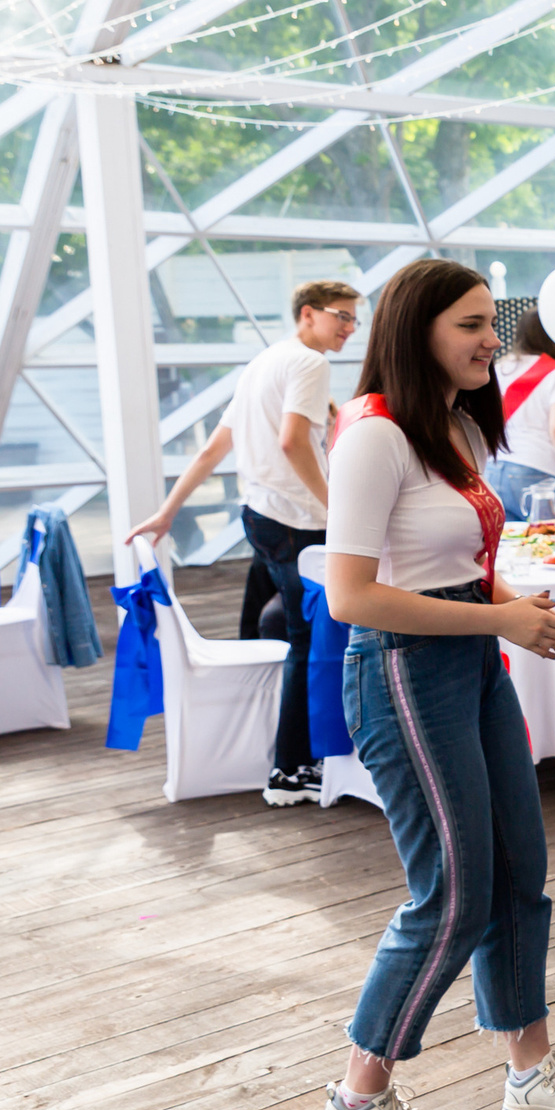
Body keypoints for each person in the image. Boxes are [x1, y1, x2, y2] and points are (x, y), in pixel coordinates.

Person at [310, 258, 555, 1110]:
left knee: (520, 868)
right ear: (419, 331)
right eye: (473, 324)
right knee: (453, 888)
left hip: (471, 664)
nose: (494, 337)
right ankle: (358, 1094)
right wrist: (501, 618)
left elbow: (453, 559)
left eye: (493, 321)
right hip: (404, 671)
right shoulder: (374, 436)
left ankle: (531, 1074)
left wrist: (512, 611)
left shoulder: (449, 427)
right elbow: (353, 597)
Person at [129, 279, 361, 807]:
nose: (349, 328)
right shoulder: (307, 363)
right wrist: (336, 509)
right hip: (295, 520)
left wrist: (168, 512)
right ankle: (291, 769)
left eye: (354, 319)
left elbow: (215, 449)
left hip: (260, 516)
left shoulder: (265, 362)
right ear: (308, 314)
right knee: (308, 637)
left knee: (282, 624)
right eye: (341, 317)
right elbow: (291, 441)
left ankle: (289, 751)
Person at [487, 310, 555, 517]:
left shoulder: (498, 368)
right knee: (547, 545)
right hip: (537, 472)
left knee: (510, 547)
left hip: (494, 467)